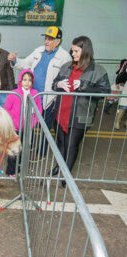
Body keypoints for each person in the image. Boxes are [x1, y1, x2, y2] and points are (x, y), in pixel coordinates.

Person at [51, 36, 111, 187]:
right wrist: (58, 83)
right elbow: (53, 85)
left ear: (85, 51)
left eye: (76, 51)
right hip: (60, 113)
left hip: (79, 115)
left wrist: (84, 87)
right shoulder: (66, 66)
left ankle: (66, 175)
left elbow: (105, 92)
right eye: (72, 50)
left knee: (71, 145)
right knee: (61, 143)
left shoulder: (97, 70)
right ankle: (60, 166)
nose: (73, 54)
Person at [8, 26, 71, 159]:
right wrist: (14, 60)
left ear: (58, 41)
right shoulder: (39, 51)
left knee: (45, 128)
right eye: (46, 38)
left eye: (50, 39)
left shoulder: (64, 57)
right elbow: (25, 63)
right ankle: (26, 148)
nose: (46, 41)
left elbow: (66, 79)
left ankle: (41, 152)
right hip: (31, 97)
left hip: (49, 100)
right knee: (27, 124)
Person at [4, 69, 42, 176]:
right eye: (24, 80)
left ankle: (19, 169)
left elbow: (38, 110)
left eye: (29, 80)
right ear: (20, 80)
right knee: (14, 150)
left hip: (28, 128)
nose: (27, 82)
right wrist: (12, 123)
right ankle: (11, 171)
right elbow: (6, 109)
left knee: (24, 149)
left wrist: (32, 123)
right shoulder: (14, 94)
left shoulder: (35, 94)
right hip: (15, 128)